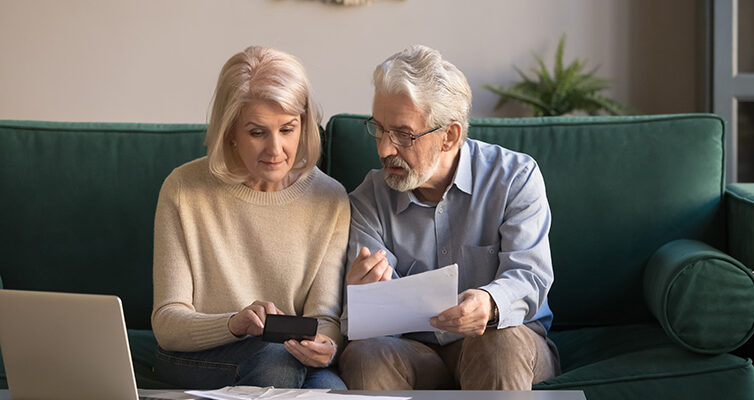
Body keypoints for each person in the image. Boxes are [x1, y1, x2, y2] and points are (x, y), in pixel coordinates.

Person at [339, 45, 560, 390]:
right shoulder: (368, 198)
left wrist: (489, 303)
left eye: (403, 134)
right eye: (379, 129)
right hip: (415, 352)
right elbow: (361, 325)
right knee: (366, 354)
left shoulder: (515, 177)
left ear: (450, 136)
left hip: (506, 342)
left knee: (498, 342)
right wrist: (362, 298)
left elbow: (530, 277)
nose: (384, 148)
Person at [151, 46, 349, 390]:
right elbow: (167, 323)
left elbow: (325, 318)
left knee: (332, 390)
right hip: (200, 354)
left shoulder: (331, 199)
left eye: (287, 129)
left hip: (289, 358)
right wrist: (234, 323)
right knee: (276, 362)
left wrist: (326, 346)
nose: (275, 150)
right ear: (230, 131)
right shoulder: (182, 189)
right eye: (257, 132)